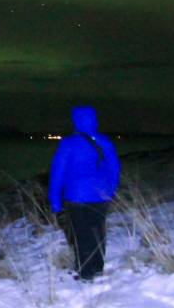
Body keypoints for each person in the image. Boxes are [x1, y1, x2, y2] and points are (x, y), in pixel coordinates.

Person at [48, 106, 121, 281]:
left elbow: (58, 173)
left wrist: (55, 201)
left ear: (75, 121)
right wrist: (109, 190)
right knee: (98, 231)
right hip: (101, 196)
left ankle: (86, 273)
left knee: (82, 234)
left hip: (77, 196)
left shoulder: (69, 143)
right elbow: (114, 168)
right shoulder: (104, 141)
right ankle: (97, 267)